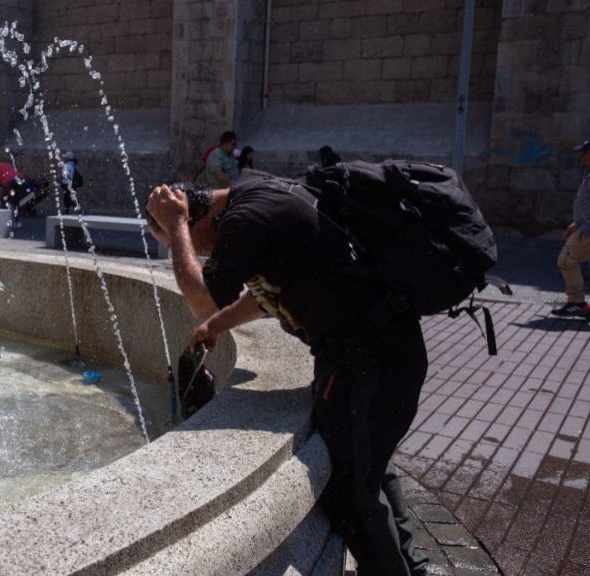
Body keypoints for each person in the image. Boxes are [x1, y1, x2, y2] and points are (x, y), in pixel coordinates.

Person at [146, 173, 430, 576]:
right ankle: (413, 565)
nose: (202, 253)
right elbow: (265, 294)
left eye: (193, 244)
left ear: (196, 218)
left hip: (368, 361)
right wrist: (218, 326)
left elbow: (200, 299)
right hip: (379, 352)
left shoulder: (245, 220)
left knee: (349, 490)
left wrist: (174, 227)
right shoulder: (256, 195)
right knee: (371, 466)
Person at [552, 138, 590, 317]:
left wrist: (584, 227)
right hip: (583, 229)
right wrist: (577, 224)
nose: (581, 157)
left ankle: (577, 302)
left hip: (587, 233)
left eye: (584, 153)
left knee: (566, 261)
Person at [0, 160, 26, 227]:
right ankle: (18, 222)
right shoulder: (5, 165)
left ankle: (5, 222)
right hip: (20, 180)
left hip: (9, 182)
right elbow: (5, 179)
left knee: (4, 201)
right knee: (17, 202)